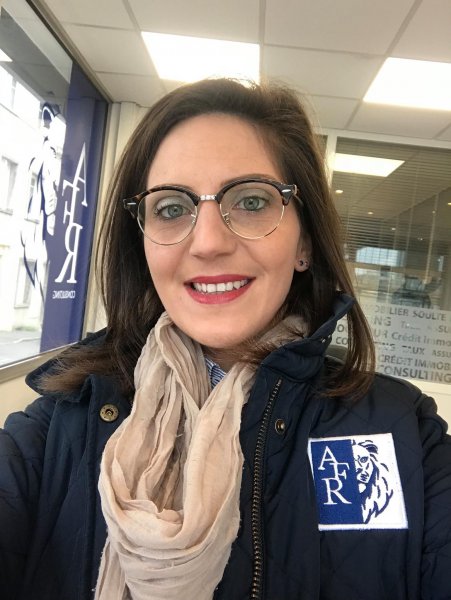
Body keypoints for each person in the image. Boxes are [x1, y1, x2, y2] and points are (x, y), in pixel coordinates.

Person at [1, 78, 450, 600]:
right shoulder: (55, 430)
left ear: (304, 242)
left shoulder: (405, 431)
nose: (209, 242)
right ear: (143, 246)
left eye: (252, 201)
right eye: (171, 208)